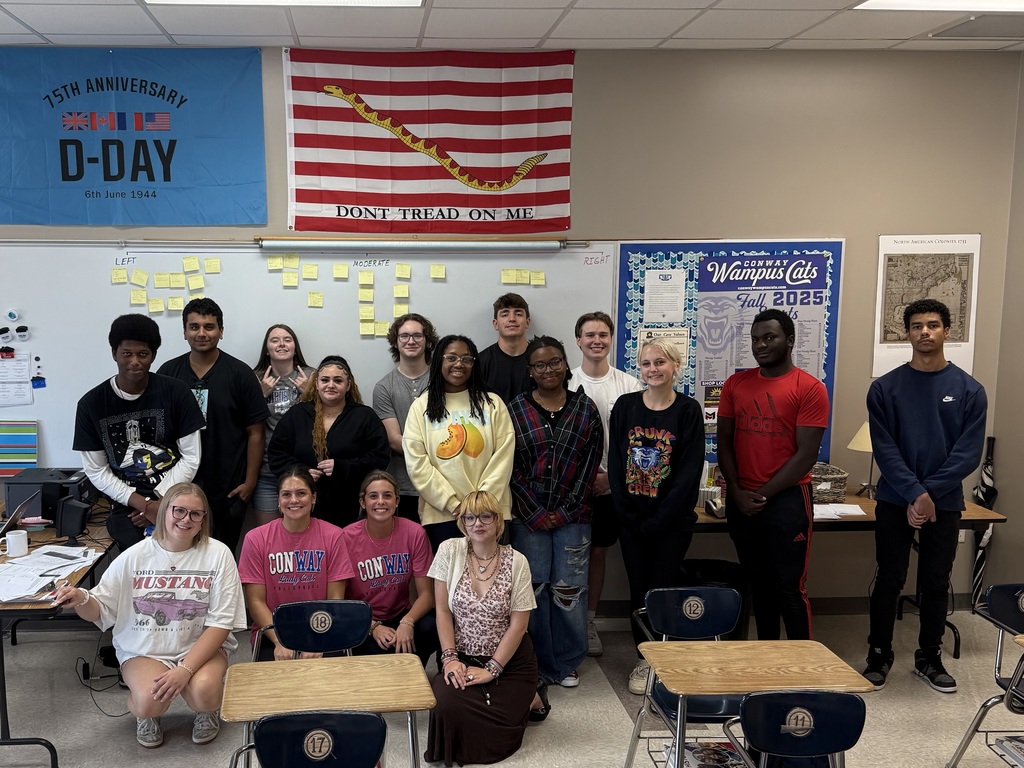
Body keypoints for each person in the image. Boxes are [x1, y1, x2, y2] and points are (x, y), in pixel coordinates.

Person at [53, 483, 246, 749]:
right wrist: (81, 598)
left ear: (203, 520)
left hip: (199, 646)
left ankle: (207, 711)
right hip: (145, 649)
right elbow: (100, 610)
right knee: (149, 702)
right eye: (179, 511)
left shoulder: (218, 554)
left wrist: (184, 670)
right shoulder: (134, 556)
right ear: (164, 511)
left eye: (195, 514)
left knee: (204, 694)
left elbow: (220, 623)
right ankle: (145, 715)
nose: (185, 519)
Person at [863, 298, 987, 693]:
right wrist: (915, 493)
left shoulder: (970, 390)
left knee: (936, 581)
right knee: (889, 578)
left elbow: (967, 453)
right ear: (908, 334)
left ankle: (928, 657)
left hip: (945, 502)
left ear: (946, 331)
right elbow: (885, 449)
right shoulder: (884, 388)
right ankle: (878, 655)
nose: (925, 332)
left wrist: (929, 493)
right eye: (917, 326)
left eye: (933, 325)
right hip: (896, 499)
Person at [717, 309, 830, 642]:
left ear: (790, 340)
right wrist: (736, 491)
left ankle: (801, 668)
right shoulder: (735, 384)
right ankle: (767, 656)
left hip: (787, 501)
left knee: (789, 588)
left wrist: (762, 495)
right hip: (742, 500)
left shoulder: (809, 388)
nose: (760, 345)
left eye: (769, 337)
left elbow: (806, 455)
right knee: (759, 585)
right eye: (755, 340)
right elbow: (724, 443)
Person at [608, 337, 704, 694]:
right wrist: (629, 514)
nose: (653, 370)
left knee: (662, 589)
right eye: (647, 363)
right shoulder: (626, 406)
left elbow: (688, 473)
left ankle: (665, 657)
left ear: (675, 365)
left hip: (672, 523)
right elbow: (616, 464)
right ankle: (643, 659)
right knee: (638, 590)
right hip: (632, 521)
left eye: (660, 362)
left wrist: (659, 518)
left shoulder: (688, 411)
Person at [508, 336, 602, 689]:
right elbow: (509, 467)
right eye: (540, 365)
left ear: (566, 364)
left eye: (555, 362)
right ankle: (535, 661)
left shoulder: (586, 409)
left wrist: (562, 512)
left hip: (574, 518)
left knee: (569, 590)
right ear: (531, 372)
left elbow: (589, 467)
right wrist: (534, 512)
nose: (548, 370)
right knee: (531, 590)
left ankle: (566, 661)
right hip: (526, 517)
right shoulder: (514, 409)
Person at [425, 491, 543, 767]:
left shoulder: (517, 561)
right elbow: (442, 612)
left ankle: (531, 697)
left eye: (485, 516)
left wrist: (492, 670)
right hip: (462, 655)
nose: (477, 523)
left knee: (497, 732)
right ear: (463, 522)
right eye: (469, 517)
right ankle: (530, 698)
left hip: (509, 660)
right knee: (444, 705)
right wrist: (450, 659)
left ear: (498, 521)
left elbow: (519, 624)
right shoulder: (449, 550)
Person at [74, 314, 206, 553]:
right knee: (137, 572)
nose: (134, 361)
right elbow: (96, 469)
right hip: (126, 505)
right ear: (114, 353)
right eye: (127, 353)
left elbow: (191, 457)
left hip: (177, 498)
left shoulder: (177, 393)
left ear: (153, 356)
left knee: (186, 565)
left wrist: (160, 502)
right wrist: (144, 505)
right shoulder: (91, 404)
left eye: (143, 354)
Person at [157, 298, 268, 552]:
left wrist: (249, 483)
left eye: (209, 326)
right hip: (177, 487)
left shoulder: (240, 374)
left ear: (221, 331)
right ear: (184, 332)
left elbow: (256, 432)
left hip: (229, 489)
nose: (202, 333)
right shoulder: (168, 373)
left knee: (221, 556)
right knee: (178, 554)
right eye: (194, 327)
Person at [570, 310, 642, 657]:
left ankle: (589, 621)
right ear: (578, 340)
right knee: (572, 556)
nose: (597, 340)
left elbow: (637, 442)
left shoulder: (629, 384)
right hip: (573, 489)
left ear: (611, 339)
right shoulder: (566, 381)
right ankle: (567, 624)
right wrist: (585, 479)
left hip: (613, 487)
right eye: (589, 334)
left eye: (603, 334)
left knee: (597, 554)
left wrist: (609, 478)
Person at [403, 334, 515, 551]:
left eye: (466, 359)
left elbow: (504, 457)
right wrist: (453, 503)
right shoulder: (421, 406)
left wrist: (480, 505)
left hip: (490, 512)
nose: (459, 364)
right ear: (439, 362)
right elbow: (417, 463)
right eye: (451, 358)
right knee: (449, 582)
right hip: (442, 514)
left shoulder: (492, 403)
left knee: (490, 581)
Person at [238, 465, 353, 661]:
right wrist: (279, 641)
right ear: (278, 500)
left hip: (323, 624)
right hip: (273, 629)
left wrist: (319, 639)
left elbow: (335, 599)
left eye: (301, 493)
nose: (293, 500)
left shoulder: (334, 535)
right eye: (286, 494)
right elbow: (256, 601)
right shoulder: (256, 538)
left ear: (313, 498)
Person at [268, 354, 390, 528]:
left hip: (349, 507)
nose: (330, 385)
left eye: (338, 381)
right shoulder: (297, 414)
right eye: (325, 380)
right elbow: (276, 455)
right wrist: (302, 473)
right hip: (302, 507)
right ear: (316, 384)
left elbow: (380, 458)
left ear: (348, 385)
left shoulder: (364, 416)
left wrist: (343, 467)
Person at [342, 470, 438, 666]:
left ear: (397, 501)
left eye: (387, 496)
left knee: (431, 626)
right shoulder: (345, 537)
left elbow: (427, 596)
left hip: (400, 614)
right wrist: (373, 627)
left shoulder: (414, 533)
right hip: (361, 619)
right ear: (363, 503)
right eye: (373, 496)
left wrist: (408, 621)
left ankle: (413, 676)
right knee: (378, 655)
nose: (381, 502)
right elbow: (338, 600)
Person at [372, 313, 439, 522]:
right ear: (396, 341)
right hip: (404, 487)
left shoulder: (442, 382)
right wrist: (437, 451)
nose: (411, 341)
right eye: (404, 336)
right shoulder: (383, 388)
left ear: (427, 341)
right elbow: (393, 439)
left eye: (418, 335)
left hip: (442, 484)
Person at [250, 324, 313, 526]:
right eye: (275, 340)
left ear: (295, 346)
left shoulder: (312, 375)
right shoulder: (254, 378)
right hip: (266, 471)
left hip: (303, 470)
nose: (282, 344)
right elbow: (240, 420)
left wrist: (309, 394)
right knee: (268, 535)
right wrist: (259, 396)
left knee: (304, 534)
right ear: (266, 349)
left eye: (287, 339)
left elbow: (329, 417)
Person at [476, 292, 532, 403]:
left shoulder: (541, 360)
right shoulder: (480, 362)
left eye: (518, 314)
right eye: (505, 314)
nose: (512, 319)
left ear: (527, 322)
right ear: (495, 324)